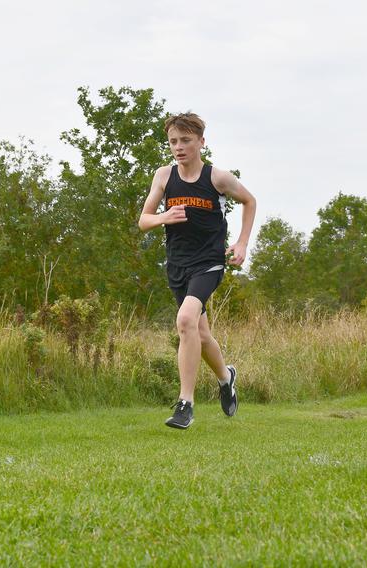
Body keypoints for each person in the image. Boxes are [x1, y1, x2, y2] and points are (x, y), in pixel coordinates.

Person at [138, 112, 257, 429]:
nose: (179, 147)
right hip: (177, 264)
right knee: (200, 334)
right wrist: (164, 217)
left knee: (186, 320)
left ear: (201, 142)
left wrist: (242, 243)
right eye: (174, 141)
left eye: (186, 141)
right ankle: (225, 376)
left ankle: (185, 404)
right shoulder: (164, 177)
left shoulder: (217, 178)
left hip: (210, 261)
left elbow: (249, 201)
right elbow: (144, 220)